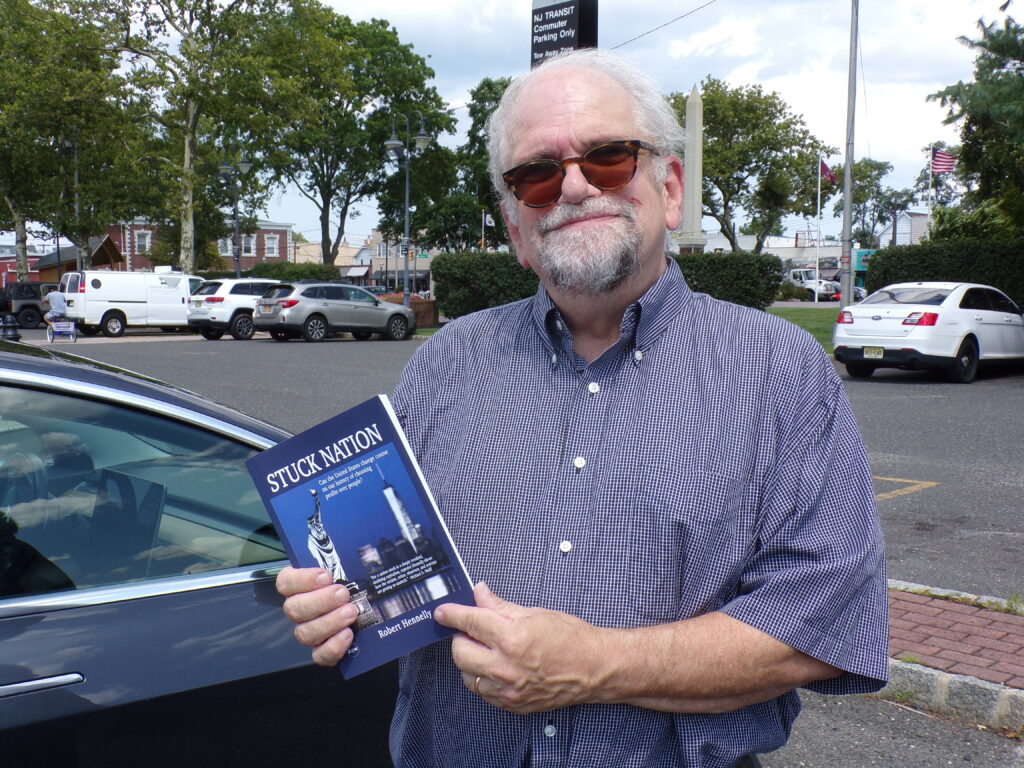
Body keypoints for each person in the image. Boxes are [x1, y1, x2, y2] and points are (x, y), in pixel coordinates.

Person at [277, 48, 887, 768]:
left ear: (670, 188)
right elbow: (381, 571)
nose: (572, 186)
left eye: (608, 158)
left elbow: (821, 627)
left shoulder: (780, 369)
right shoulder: (446, 362)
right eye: (536, 176)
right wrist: (335, 604)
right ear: (515, 229)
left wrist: (596, 664)